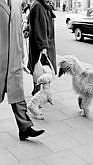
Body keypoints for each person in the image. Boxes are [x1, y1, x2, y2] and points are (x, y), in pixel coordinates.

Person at [0, 0, 45, 140]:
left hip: (14, 57)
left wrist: (22, 54)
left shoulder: (16, 2)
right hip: (1, 57)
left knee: (17, 93)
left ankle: (24, 127)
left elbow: (18, 30)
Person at [27, 0, 57, 96]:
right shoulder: (38, 5)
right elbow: (40, 26)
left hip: (45, 42)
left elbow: (32, 21)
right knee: (40, 68)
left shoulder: (41, 4)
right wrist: (43, 46)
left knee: (41, 68)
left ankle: (41, 91)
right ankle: (38, 91)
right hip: (43, 44)